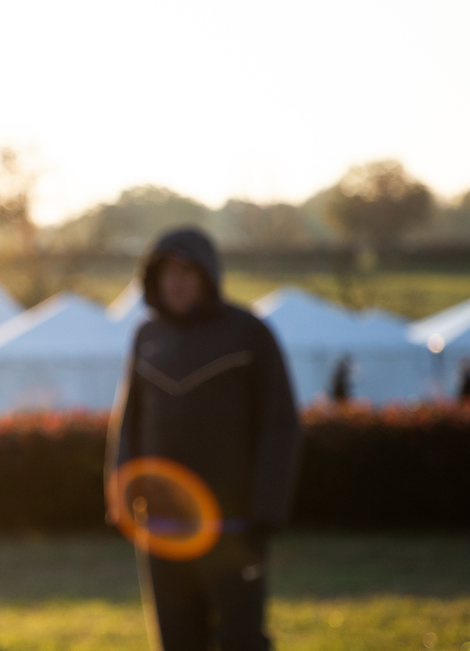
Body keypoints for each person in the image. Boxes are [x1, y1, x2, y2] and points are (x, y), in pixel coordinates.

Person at [106, 227, 301, 651]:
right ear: (152, 280)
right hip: (162, 526)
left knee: (241, 639)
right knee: (177, 641)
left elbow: (281, 425)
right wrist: (121, 494)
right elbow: (129, 422)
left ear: (208, 276)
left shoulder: (250, 334)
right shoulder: (146, 337)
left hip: (234, 524)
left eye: (187, 271)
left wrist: (267, 511)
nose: (176, 281)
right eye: (167, 273)